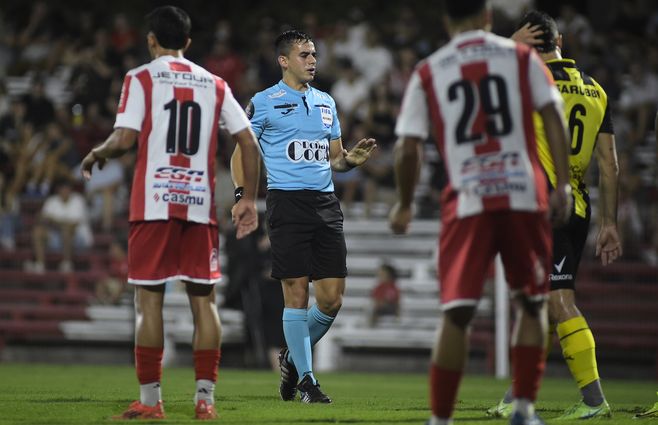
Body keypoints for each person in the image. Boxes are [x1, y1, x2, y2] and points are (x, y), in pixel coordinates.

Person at [389, 1, 573, 424]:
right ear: (488, 17)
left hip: (467, 199)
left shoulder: (429, 69)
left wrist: (403, 203)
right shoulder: (522, 57)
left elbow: (407, 146)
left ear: (446, 20)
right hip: (522, 193)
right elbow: (553, 114)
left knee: (456, 313)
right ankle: (524, 408)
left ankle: (440, 419)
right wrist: (561, 183)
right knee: (530, 303)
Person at [80, 6, 260, 420]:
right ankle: (205, 402)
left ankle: (150, 400)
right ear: (188, 42)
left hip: (154, 202)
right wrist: (246, 198)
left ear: (150, 40)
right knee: (204, 301)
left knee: (149, 302)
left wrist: (98, 151)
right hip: (198, 204)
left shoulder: (140, 77)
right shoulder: (214, 82)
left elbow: (124, 137)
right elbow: (248, 142)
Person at [487, 11, 621, 421]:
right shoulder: (596, 90)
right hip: (580, 208)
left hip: (544, 208)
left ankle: (595, 401)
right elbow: (610, 164)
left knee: (559, 301)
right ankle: (516, 397)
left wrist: (512, 40)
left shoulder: (529, 83)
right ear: (561, 39)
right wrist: (609, 223)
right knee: (541, 304)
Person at [231, 29, 376, 404]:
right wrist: (241, 195)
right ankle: (307, 381)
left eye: (314, 54)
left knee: (331, 300)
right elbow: (241, 152)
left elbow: (334, 157)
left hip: (326, 204)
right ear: (283, 61)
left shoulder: (327, 102)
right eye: (304, 54)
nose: (312, 60)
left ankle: (291, 358)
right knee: (295, 294)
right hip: (287, 204)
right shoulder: (263, 102)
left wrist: (348, 161)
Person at [26, 179, 93, 273]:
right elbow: (41, 219)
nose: (65, 191)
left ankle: (67, 264)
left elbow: (72, 225)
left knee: (66, 231)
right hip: (57, 238)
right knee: (38, 231)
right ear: (58, 190)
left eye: (67, 189)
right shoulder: (51, 201)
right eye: (63, 189)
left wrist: (53, 221)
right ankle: (40, 265)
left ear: (71, 190)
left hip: (79, 239)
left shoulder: (78, 200)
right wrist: (53, 222)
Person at [368, 263, 400, 327]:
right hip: (379, 309)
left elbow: (393, 300)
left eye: (383, 274)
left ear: (389, 275)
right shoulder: (378, 287)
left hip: (390, 309)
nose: (380, 276)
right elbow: (375, 299)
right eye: (380, 274)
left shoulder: (392, 287)